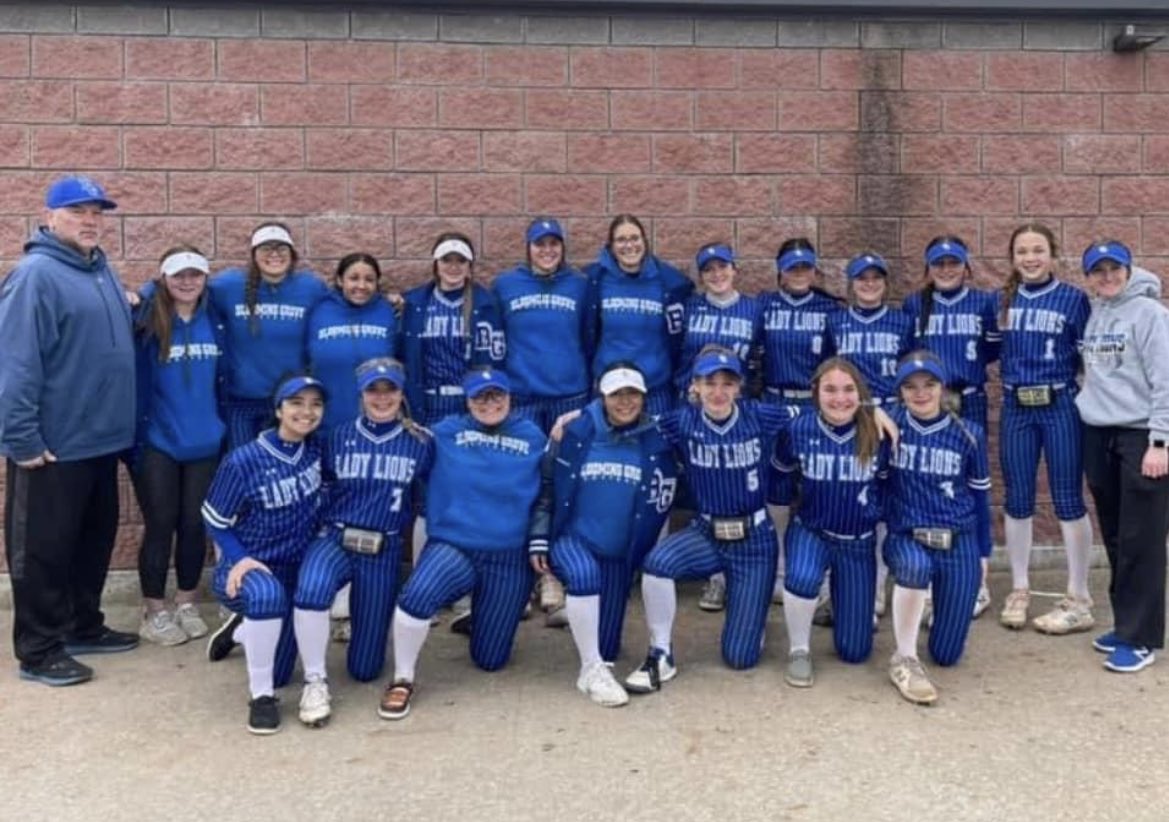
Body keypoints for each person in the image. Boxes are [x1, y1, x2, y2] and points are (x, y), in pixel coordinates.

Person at [0, 175, 139, 687]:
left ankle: (83, 625)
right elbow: (16, 364)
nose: (90, 220)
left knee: (91, 542)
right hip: (53, 447)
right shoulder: (35, 276)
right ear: (50, 216)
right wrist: (21, 439)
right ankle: (38, 650)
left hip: (102, 442)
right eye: (78, 211)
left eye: (97, 213)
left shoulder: (99, 269)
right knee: (43, 550)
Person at [624, 347, 794, 693]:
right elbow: (628, 423)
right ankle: (660, 652)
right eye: (709, 382)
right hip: (706, 533)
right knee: (657, 564)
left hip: (754, 539)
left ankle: (752, 615)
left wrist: (874, 413)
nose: (718, 391)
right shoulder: (679, 421)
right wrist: (576, 418)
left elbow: (816, 413)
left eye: (727, 383)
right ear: (695, 386)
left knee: (741, 657)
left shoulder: (760, 415)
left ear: (739, 387)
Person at [378, 368, 545, 720]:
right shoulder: (442, 432)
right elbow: (400, 452)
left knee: (490, 660)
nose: (489, 403)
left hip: (509, 556)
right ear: (467, 401)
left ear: (510, 398)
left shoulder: (532, 435)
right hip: (456, 547)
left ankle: (480, 617)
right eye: (480, 397)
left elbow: (550, 488)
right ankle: (402, 678)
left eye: (497, 395)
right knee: (416, 597)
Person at [290, 359, 432, 726]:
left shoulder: (420, 442)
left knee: (365, 669)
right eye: (373, 390)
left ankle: (351, 629)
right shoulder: (335, 437)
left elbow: (425, 503)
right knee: (312, 589)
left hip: (383, 547)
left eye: (390, 390)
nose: (382, 398)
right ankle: (315, 681)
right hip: (336, 538)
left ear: (402, 393)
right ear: (361, 394)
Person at [528, 361, 677, 707]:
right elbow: (547, 485)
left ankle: (582, 620)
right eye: (616, 394)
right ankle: (590, 671)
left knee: (609, 646)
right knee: (584, 577)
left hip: (618, 553)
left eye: (632, 394)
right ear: (601, 396)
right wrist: (539, 535)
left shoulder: (657, 437)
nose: (625, 402)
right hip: (573, 539)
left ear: (644, 396)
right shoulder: (575, 431)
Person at [201, 375, 327, 734]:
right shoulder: (243, 460)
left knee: (283, 670)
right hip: (250, 565)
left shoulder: (316, 449)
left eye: (315, 404)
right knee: (267, 598)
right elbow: (213, 518)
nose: (306, 411)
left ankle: (243, 630)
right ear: (278, 409)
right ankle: (261, 698)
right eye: (296, 403)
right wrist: (239, 557)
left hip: (293, 565)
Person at [400, 232, 505, 627]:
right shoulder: (415, 302)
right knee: (426, 498)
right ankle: (422, 589)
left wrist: (484, 411)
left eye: (461, 261)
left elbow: (493, 361)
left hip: (467, 407)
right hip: (427, 407)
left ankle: (462, 593)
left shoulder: (485, 303)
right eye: (447, 260)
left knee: (465, 494)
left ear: (470, 266)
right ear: (436, 264)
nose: (454, 267)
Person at [492, 217, 593, 627]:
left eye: (554, 243)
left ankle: (555, 575)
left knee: (565, 484)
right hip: (523, 398)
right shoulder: (506, 285)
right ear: (528, 247)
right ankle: (519, 579)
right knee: (522, 484)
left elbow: (590, 337)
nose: (547, 250)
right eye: (540, 244)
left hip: (569, 396)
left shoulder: (580, 285)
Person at [995, 225, 1094, 634]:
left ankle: (1079, 594)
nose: (1030, 258)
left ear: (1052, 254)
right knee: (1017, 497)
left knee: (1068, 497)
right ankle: (1020, 587)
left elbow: (1088, 357)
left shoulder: (1073, 298)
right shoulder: (1002, 300)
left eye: (1038, 250)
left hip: (1059, 404)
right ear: (1012, 257)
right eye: (1022, 251)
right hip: (1017, 405)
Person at [1076, 240, 1169, 673]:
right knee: (1114, 534)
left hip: (1140, 435)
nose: (1108, 276)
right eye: (1099, 271)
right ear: (1089, 277)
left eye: (1115, 269)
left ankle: (1141, 638)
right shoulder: (1097, 312)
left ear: (1129, 271)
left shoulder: (1150, 314)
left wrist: (1161, 441)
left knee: (1141, 539)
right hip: (1100, 432)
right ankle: (1125, 623)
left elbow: (1166, 378)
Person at [883, 352, 992, 705]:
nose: (920, 393)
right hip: (908, 536)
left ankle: (927, 608)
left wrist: (984, 551)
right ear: (900, 391)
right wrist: (872, 412)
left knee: (946, 654)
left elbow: (980, 497)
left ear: (942, 387)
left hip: (957, 539)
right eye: (910, 386)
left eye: (929, 384)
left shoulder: (969, 434)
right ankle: (904, 658)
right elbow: (847, 411)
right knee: (914, 568)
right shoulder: (889, 427)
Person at [132, 245, 226, 646]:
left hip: (206, 440)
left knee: (194, 524)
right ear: (163, 278)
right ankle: (154, 611)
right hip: (159, 441)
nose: (187, 282)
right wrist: (139, 294)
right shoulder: (144, 318)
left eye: (195, 274)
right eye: (178, 275)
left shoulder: (216, 317)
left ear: (205, 278)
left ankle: (186, 601)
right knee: (160, 523)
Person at [902, 236, 1000, 619]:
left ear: (966, 266)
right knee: (927, 480)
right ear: (928, 268)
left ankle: (977, 575)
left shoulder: (983, 303)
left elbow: (992, 350)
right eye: (938, 263)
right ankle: (928, 578)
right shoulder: (915, 304)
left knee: (970, 485)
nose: (946, 269)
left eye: (953, 262)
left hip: (967, 397)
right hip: (927, 400)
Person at [775, 358, 889, 688]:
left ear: (861, 393)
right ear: (815, 392)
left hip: (858, 540)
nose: (840, 398)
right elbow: (780, 483)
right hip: (813, 529)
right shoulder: (798, 429)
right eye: (830, 390)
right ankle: (799, 649)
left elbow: (887, 487)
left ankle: (839, 605)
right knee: (802, 578)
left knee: (855, 651)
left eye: (848, 389)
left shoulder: (877, 431)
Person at [679, 242, 765, 613]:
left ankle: (739, 572)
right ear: (701, 276)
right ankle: (714, 575)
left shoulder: (754, 309)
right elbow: (676, 354)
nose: (717, 274)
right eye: (708, 269)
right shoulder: (690, 308)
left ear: (735, 269)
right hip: (696, 406)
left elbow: (761, 357)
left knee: (736, 486)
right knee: (705, 485)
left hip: (737, 408)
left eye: (723, 267)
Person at [826, 252, 913, 620]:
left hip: (890, 418)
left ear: (886, 282)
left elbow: (911, 374)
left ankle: (877, 589)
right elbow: (828, 372)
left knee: (883, 505)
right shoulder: (836, 321)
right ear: (852, 282)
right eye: (862, 278)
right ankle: (841, 588)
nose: (869, 283)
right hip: (848, 417)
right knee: (848, 499)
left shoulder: (902, 321)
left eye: (876, 277)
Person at [759, 238, 840, 612]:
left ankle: (821, 575)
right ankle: (777, 570)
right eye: (792, 267)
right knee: (775, 488)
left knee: (816, 486)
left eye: (805, 266)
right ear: (780, 271)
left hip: (813, 404)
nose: (799, 273)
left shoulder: (830, 309)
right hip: (774, 399)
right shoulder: (764, 306)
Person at [209, 222, 328, 450]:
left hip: (291, 400)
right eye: (266, 248)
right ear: (254, 255)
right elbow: (186, 289)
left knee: (287, 463)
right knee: (244, 464)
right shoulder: (229, 285)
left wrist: (392, 302)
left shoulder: (310, 287)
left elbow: (343, 303)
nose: (274, 254)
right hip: (242, 401)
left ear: (292, 254)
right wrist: (144, 294)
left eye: (281, 248)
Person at [583, 214, 694, 417]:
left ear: (645, 241)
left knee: (658, 438)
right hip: (610, 389)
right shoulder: (594, 280)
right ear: (611, 246)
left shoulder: (670, 282)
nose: (629, 245)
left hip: (655, 389)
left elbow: (679, 338)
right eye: (621, 240)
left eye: (635, 238)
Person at [305, 253, 399, 433]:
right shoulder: (318, 309)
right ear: (340, 280)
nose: (361, 286)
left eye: (369, 280)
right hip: (325, 423)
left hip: (376, 423)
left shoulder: (387, 311)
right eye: (354, 278)